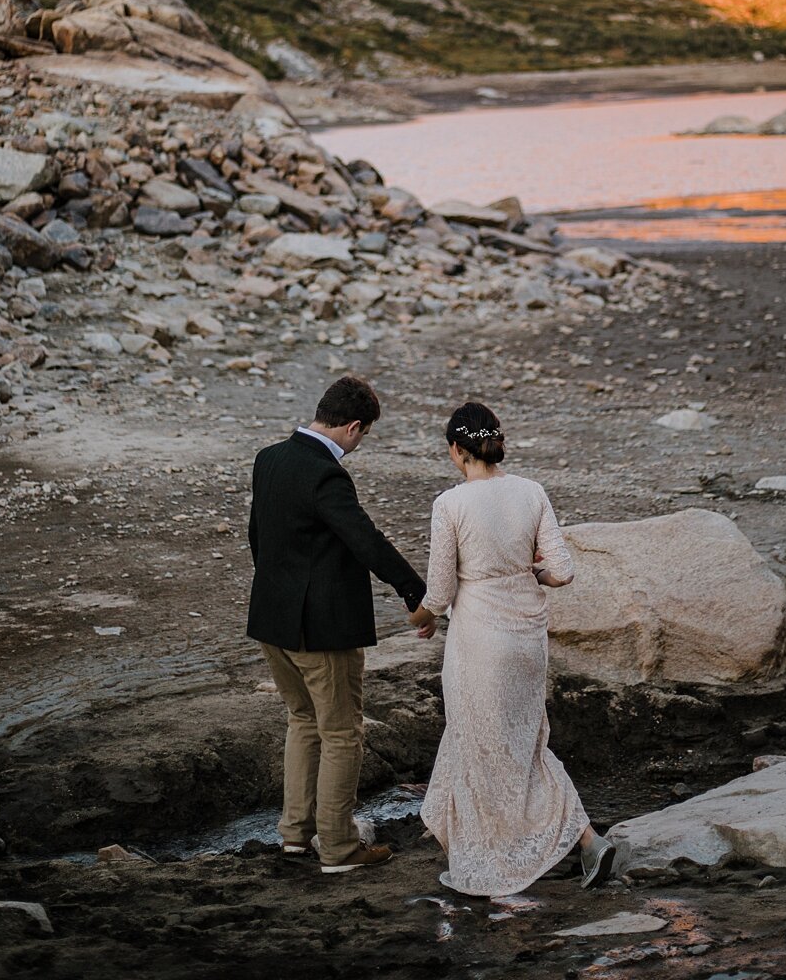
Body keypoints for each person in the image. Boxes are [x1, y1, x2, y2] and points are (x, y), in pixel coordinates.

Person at [408, 402, 616, 896]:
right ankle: (573, 841)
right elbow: (561, 571)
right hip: (527, 638)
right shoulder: (531, 491)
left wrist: (420, 617)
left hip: (479, 642)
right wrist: (533, 573)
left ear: (457, 450)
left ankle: (523, 852)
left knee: (485, 744)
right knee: (520, 744)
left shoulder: (450, 504)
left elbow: (437, 593)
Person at [247, 375, 425, 873]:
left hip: (271, 621)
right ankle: (341, 847)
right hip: (320, 630)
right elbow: (363, 538)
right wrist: (414, 590)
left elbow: (256, 537)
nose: (360, 443)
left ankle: (295, 836)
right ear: (352, 426)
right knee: (342, 732)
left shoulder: (269, 458)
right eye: (363, 434)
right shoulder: (326, 474)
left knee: (302, 721)